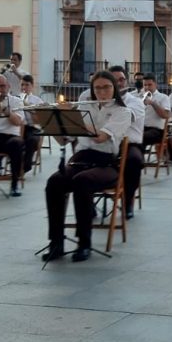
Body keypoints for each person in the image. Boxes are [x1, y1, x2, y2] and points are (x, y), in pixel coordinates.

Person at [42, 71, 132, 262]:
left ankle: (84, 243)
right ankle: (56, 242)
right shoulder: (86, 108)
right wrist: (54, 122)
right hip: (80, 159)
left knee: (82, 181)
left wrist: (73, 117)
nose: (102, 92)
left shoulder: (122, 112)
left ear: (114, 88)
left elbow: (100, 138)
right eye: (97, 88)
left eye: (106, 87)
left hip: (106, 163)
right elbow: (63, 141)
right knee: (55, 182)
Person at [109, 65, 145, 217]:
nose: (121, 83)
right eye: (116, 80)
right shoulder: (98, 101)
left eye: (122, 79)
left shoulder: (135, 101)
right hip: (107, 144)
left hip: (129, 144)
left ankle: (128, 201)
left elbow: (126, 117)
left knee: (134, 160)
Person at [17, 75, 44, 173]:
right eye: (22, 85)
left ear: (32, 86)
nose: (24, 87)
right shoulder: (16, 98)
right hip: (18, 127)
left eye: (27, 85)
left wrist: (28, 106)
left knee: (31, 140)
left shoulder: (37, 101)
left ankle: (25, 167)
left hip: (32, 128)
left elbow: (39, 121)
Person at [139, 73, 171, 150]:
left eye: (149, 85)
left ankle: (138, 159)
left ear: (155, 84)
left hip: (157, 130)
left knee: (141, 137)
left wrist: (153, 103)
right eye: (145, 85)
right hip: (142, 128)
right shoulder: (139, 97)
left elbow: (165, 115)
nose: (147, 87)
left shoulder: (163, 97)